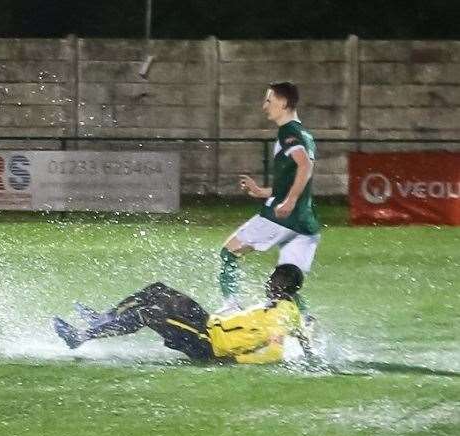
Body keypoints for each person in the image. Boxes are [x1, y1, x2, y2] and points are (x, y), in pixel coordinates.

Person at [52, 264, 310, 364]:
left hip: (208, 344)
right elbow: (301, 332)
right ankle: (103, 320)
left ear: (282, 285)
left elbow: (274, 351)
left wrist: (235, 361)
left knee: (149, 313)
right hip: (209, 323)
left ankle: (81, 336)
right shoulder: (286, 307)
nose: (268, 281)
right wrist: (311, 354)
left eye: (274, 279)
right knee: (158, 291)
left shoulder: (282, 312)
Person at [219, 81, 321, 314]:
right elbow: (296, 176)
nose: (264, 106)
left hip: (282, 218)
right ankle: (306, 327)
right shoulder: (305, 133)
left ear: (283, 103)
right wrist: (260, 191)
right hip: (307, 224)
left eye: (269, 100)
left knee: (229, 252)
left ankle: (231, 309)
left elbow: (305, 166)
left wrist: (289, 201)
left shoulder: (288, 133)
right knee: (283, 287)